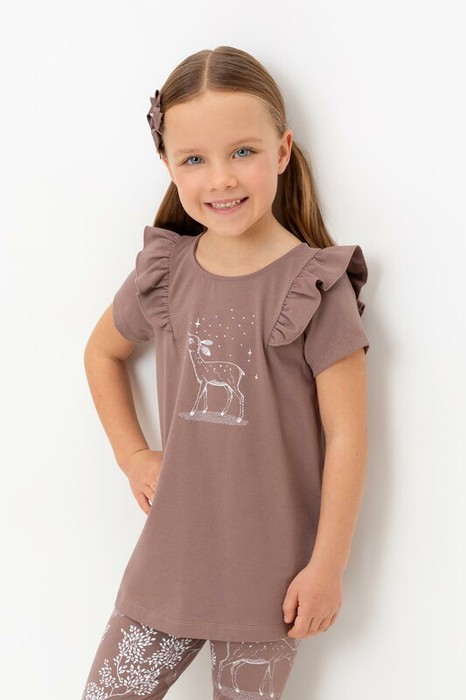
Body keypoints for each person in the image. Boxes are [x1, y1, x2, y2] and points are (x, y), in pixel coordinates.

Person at [81, 45, 370, 700]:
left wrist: (328, 565)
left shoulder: (315, 286)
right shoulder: (165, 273)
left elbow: (348, 435)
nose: (221, 179)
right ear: (168, 165)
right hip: (169, 563)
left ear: (282, 150)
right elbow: (101, 353)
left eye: (242, 151)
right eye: (194, 159)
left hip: (271, 583)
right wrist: (132, 455)